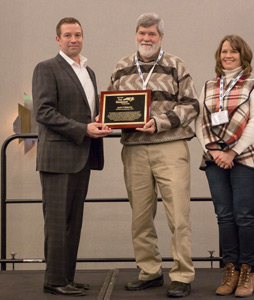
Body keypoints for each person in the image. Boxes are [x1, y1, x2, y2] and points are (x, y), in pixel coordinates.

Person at [108, 13, 199, 298]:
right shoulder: (122, 66)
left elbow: (191, 104)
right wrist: (105, 118)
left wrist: (160, 122)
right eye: (142, 33)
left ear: (160, 37)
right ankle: (149, 271)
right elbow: (111, 103)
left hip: (170, 145)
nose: (146, 38)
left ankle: (182, 275)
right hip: (133, 148)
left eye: (152, 34)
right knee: (141, 216)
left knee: (178, 215)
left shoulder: (175, 65)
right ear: (136, 34)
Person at [32, 17, 112, 296]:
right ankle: (54, 281)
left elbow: (87, 112)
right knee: (56, 222)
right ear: (58, 39)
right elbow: (42, 112)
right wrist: (83, 128)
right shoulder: (46, 68)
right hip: (58, 157)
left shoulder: (88, 72)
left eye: (77, 34)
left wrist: (100, 120)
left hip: (82, 155)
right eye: (67, 35)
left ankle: (67, 276)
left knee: (73, 222)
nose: (73, 39)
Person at [195, 35, 254, 298]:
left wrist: (233, 152)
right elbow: (200, 120)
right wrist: (212, 150)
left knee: (246, 215)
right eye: (224, 51)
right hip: (215, 158)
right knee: (225, 216)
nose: (228, 55)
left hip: (248, 158)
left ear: (243, 55)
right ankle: (230, 270)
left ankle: (248, 272)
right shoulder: (207, 85)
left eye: (234, 51)